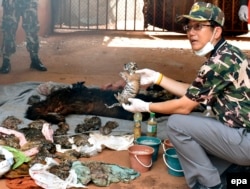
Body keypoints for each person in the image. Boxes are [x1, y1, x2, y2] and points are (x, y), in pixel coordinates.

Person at [122, 2, 250, 189]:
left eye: (199, 26)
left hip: (245, 140)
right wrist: (158, 77)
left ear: (216, 31)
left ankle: (210, 185)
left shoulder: (218, 63)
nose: (191, 33)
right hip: (242, 134)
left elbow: (184, 105)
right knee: (198, 121)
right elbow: (194, 93)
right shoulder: (229, 53)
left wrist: (145, 107)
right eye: (189, 27)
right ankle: (235, 172)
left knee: (177, 124)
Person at [0, 0, 47, 74]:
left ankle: (34, 59)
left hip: (29, 2)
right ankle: (6, 61)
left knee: (32, 29)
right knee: (9, 29)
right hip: (11, 2)